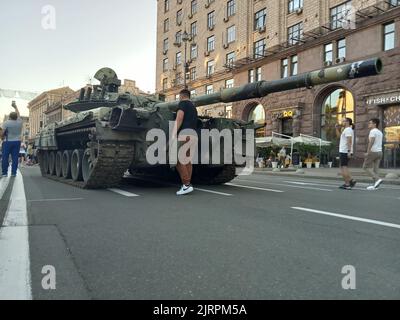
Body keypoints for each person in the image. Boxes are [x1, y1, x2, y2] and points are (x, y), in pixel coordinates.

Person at [172, 89, 198, 196]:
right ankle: (187, 184)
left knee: (177, 159)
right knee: (187, 160)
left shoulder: (182, 104)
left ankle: (186, 185)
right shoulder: (193, 107)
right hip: (193, 134)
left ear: (181, 96)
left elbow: (179, 119)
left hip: (184, 134)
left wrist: (173, 134)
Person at [1, 101, 23, 177]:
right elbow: (18, 113)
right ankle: (13, 173)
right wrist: (15, 106)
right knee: (15, 158)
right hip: (17, 142)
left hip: (7, 142)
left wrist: (2, 137)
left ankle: (4, 173)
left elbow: (2, 133)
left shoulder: (6, 123)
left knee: (5, 157)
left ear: (9, 117)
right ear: (16, 117)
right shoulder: (20, 122)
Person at [363, 118, 383, 190]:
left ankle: (377, 179)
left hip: (373, 152)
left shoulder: (372, 131)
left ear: (375, 124)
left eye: (370, 123)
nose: (369, 124)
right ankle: (375, 185)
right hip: (380, 152)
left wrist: (368, 152)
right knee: (375, 170)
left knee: (365, 167)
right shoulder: (380, 132)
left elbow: (371, 142)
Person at [336, 118, 356, 190]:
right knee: (344, 167)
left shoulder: (348, 130)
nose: (342, 122)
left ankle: (347, 184)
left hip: (345, 151)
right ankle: (351, 180)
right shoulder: (346, 129)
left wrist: (349, 151)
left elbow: (349, 141)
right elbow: (339, 137)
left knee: (343, 168)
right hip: (343, 151)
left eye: (343, 121)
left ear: (347, 122)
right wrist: (337, 129)